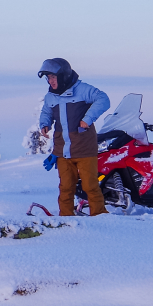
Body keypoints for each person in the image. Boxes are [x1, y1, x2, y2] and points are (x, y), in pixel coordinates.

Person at [36, 59, 111, 216]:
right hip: (63, 150)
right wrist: (45, 124)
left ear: (63, 75)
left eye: (53, 77)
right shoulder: (50, 96)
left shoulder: (82, 90)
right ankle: (65, 219)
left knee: (90, 186)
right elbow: (46, 112)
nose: (50, 81)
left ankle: (100, 217)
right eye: (48, 78)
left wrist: (88, 118)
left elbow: (103, 99)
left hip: (84, 149)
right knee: (65, 187)